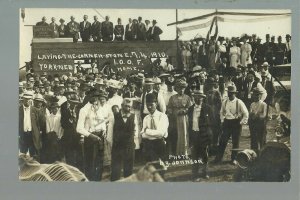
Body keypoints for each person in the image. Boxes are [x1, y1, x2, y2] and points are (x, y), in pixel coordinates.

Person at [214, 85, 249, 164]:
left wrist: (241, 122)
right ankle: (218, 158)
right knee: (223, 141)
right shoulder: (225, 101)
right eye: (229, 93)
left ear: (234, 93)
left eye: (231, 93)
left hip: (236, 123)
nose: (229, 94)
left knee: (235, 142)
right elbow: (221, 112)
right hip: (227, 123)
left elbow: (246, 113)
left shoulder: (239, 102)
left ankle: (234, 159)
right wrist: (222, 120)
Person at [76, 91, 107, 181]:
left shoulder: (99, 108)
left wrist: (104, 129)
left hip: (100, 136)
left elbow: (102, 120)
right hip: (90, 138)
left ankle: (98, 182)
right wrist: (91, 136)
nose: (96, 99)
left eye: (97, 97)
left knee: (99, 162)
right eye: (94, 97)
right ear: (89, 97)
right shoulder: (84, 110)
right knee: (91, 163)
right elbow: (79, 128)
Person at [108, 98, 138, 181]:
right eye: (126, 106)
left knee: (128, 172)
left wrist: (133, 145)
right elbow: (109, 135)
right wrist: (113, 146)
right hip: (117, 147)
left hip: (129, 147)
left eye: (129, 107)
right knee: (115, 172)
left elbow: (135, 132)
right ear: (121, 106)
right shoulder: (114, 116)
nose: (128, 108)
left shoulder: (133, 116)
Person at [187, 90, 213, 180]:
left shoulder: (207, 108)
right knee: (194, 155)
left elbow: (212, 122)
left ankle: (205, 172)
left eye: (200, 97)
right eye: (196, 97)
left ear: (203, 98)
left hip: (204, 135)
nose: (198, 99)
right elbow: (189, 124)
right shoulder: (190, 109)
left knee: (204, 154)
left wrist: (209, 135)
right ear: (193, 98)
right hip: (194, 134)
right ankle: (195, 174)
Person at [167, 79, 193, 155]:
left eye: (183, 88)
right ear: (176, 89)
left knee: (184, 134)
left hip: (184, 119)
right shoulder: (172, 97)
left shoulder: (187, 97)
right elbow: (169, 107)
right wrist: (171, 112)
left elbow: (190, 108)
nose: (181, 90)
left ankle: (184, 152)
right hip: (174, 119)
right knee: (175, 134)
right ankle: (175, 153)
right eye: (179, 88)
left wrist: (184, 111)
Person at [141, 93, 169, 162]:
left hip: (160, 145)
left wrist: (147, 131)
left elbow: (161, 133)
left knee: (160, 169)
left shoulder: (162, 116)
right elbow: (143, 135)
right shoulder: (146, 118)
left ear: (156, 104)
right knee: (150, 169)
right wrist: (153, 133)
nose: (149, 107)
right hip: (149, 146)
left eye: (151, 105)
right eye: (147, 105)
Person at [19, 92, 43, 161]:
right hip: (23, 135)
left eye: (29, 99)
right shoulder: (18, 110)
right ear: (23, 99)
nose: (27, 101)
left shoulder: (35, 110)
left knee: (34, 155)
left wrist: (38, 133)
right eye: (26, 99)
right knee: (23, 155)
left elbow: (40, 124)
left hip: (32, 135)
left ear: (31, 100)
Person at [248, 88, 267, 152]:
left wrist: (257, 115)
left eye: (257, 95)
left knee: (261, 140)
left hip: (260, 124)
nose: (255, 96)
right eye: (254, 95)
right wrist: (252, 115)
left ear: (260, 95)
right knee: (253, 140)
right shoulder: (252, 104)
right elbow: (250, 114)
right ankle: (254, 153)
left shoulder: (263, 104)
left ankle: (263, 155)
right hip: (253, 124)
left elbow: (264, 115)